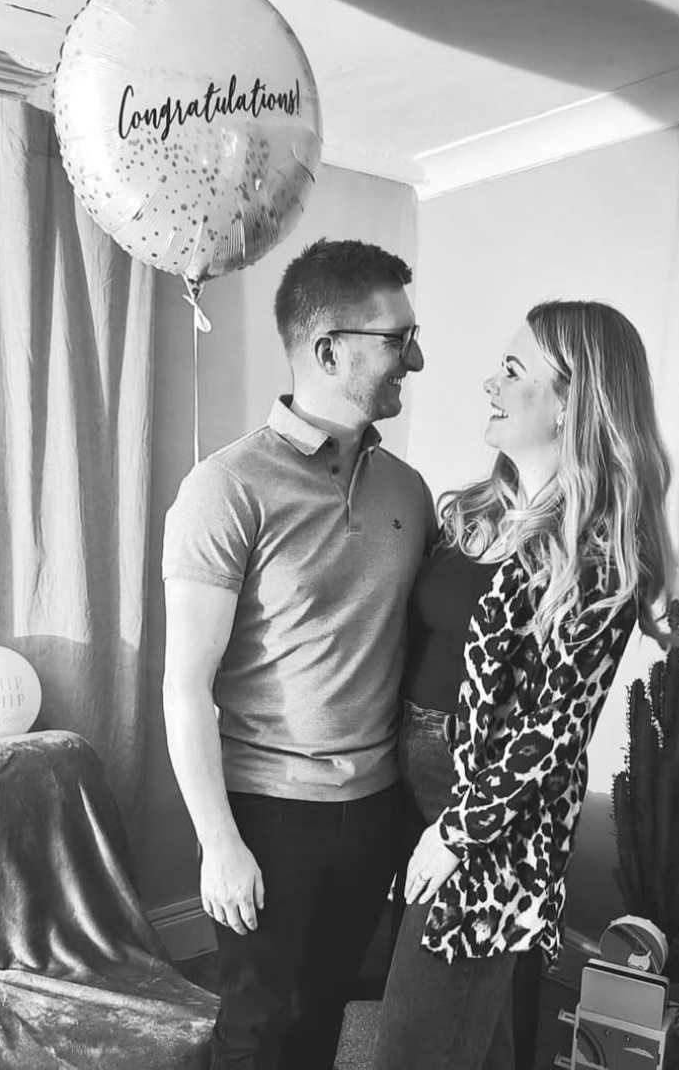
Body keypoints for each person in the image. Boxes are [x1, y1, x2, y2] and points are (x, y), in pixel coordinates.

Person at [373, 300, 677, 1070]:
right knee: (469, 1031)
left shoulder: (600, 552)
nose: (490, 383)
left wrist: (456, 832)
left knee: (418, 1043)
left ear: (574, 399)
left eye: (513, 371)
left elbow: (551, 731)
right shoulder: (478, 516)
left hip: (484, 819)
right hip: (408, 783)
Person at [162, 238, 434, 1070]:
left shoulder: (410, 490)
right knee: (257, 1031)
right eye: (397, 340)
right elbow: (185, 687)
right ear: (328, 350)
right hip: (270, 816)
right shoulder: (226, 488)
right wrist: (218, 841)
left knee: (323, 1023)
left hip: (379, 810)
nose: (416, 360)